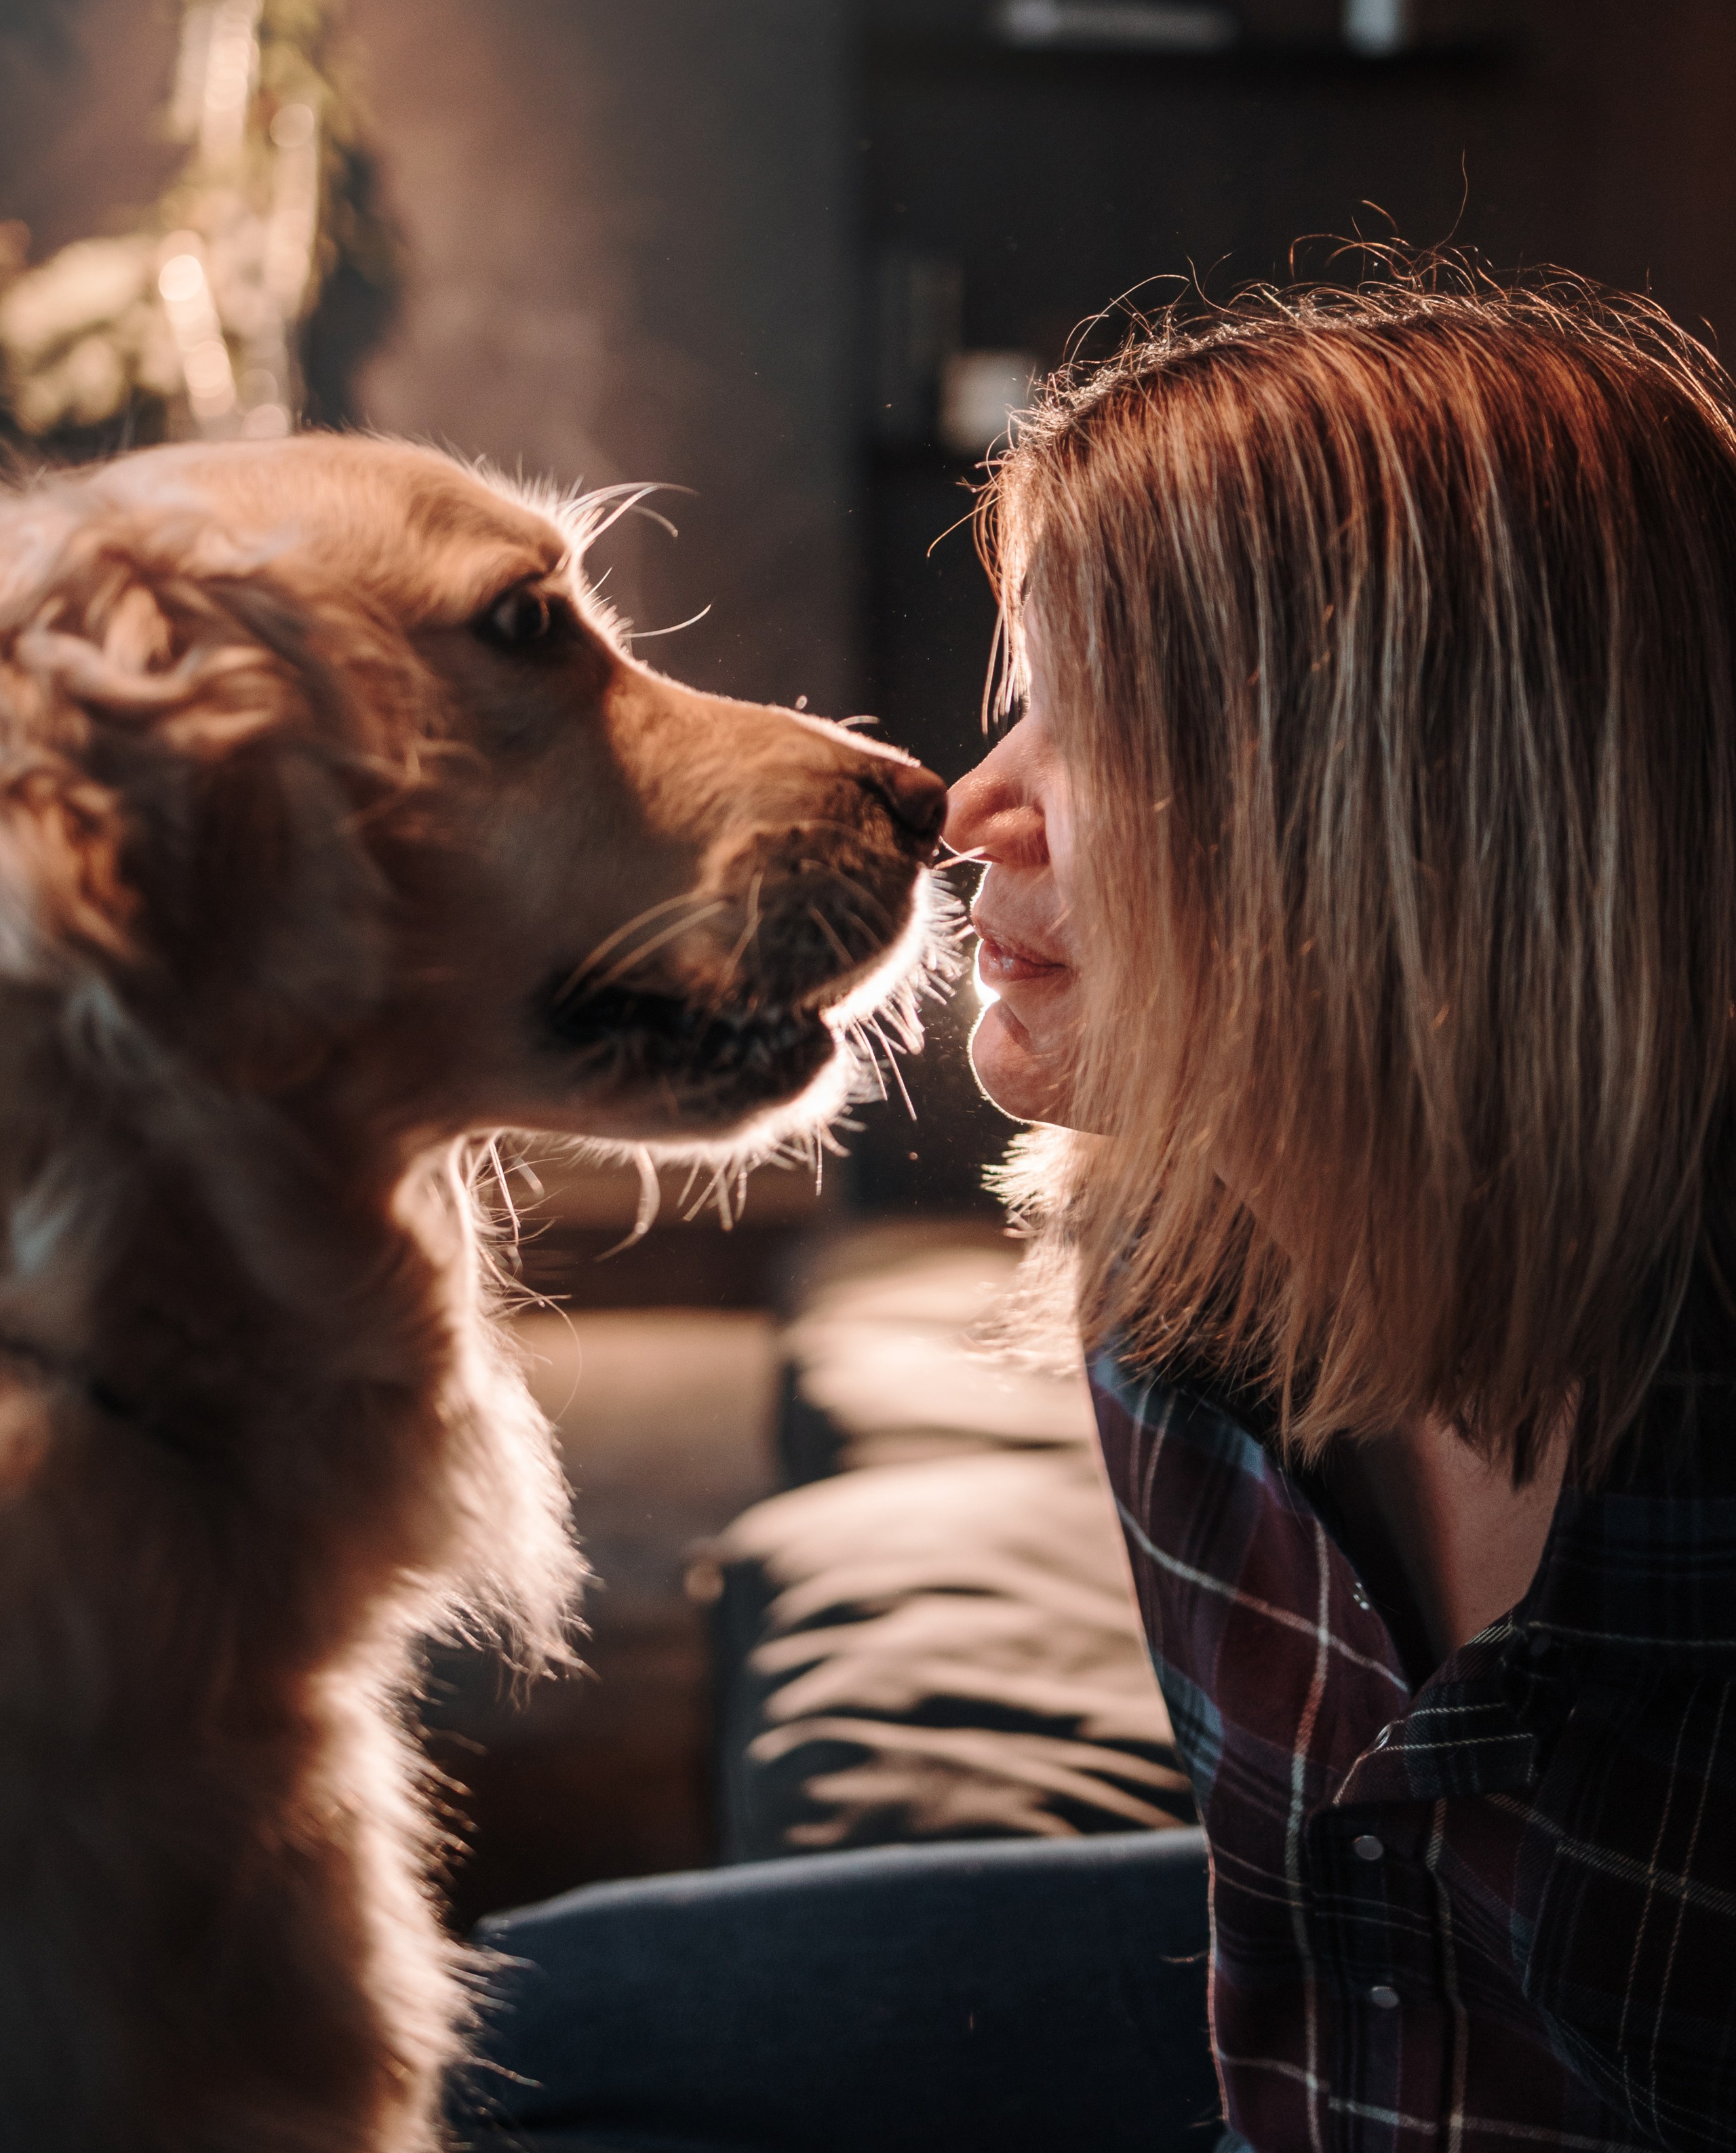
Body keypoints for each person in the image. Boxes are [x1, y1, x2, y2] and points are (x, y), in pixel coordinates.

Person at [458, 267, 1736, 2152]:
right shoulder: (1177, 1270)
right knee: (525, 2029)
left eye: (1096, 718)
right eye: (1014, 698)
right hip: (1347, 2039)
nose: (967, 806)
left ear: (1413, 799)